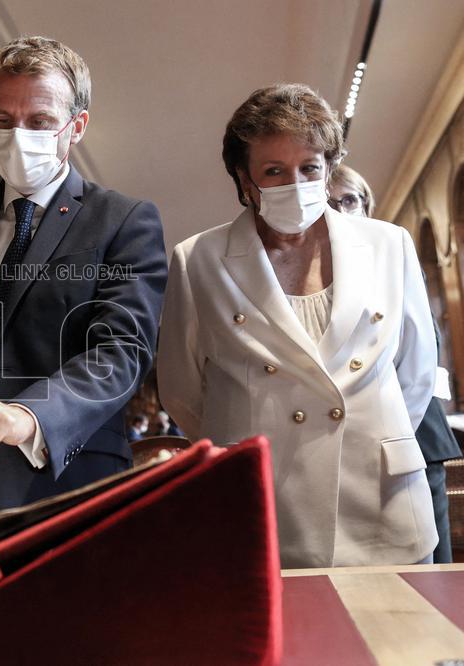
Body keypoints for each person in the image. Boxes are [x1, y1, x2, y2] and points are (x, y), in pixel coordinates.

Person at [157, 83, 438, 568]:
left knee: (395, 640)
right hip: (262, 502)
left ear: (328, 169)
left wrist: (363, 437)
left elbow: (415, 373)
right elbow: (183, 391)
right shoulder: (198, 259)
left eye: (309, 167)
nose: (295, 182)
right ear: (245, 181)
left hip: (380, 498)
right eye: (274, 171)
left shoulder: (389, 245)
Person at [0, 36, 168, 513]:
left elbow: (120, 352)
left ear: (76, 126)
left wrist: (28, 414)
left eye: (40, 122)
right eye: (4, 120)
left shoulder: (123, 221)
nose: (19, 136)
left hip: (65, 479)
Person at [329, 164, 461, 564]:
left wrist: (395, 428)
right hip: (349, 445)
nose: (342, 209)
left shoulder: (393, 256)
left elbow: (425, 347)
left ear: (367, 205)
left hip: (415, 434)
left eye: (350, 199)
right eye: (332, 203)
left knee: (432, 565)